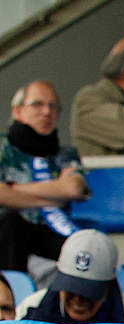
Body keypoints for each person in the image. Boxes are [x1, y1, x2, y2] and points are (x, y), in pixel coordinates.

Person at [0, 80, 89, 277]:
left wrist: (12, 190)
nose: (46, 112)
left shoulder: (66, 154)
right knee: (12, 223)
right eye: (37, 104)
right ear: (18, 111)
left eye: (53, 106)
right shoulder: (3, 148)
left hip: (51, 233)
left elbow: (73, 189)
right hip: (8, 234)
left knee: (91, 246)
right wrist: (54, 192)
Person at [18, 228, 124, 324]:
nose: (78, 300)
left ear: (109, 286)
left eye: (88, 293)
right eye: (71, 289)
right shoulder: (32, 309)